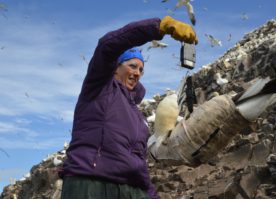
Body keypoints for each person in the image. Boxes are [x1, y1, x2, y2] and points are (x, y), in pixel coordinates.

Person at [59, 16, 197, 199]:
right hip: (92, 183)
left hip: (131, 188)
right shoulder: (99, 87)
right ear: (115, 67)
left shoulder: (136, 114)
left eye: (141, 70)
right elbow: (107, 46)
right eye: (132, 66)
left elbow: (138, 162)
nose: (137, 73)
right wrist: (160, 27)